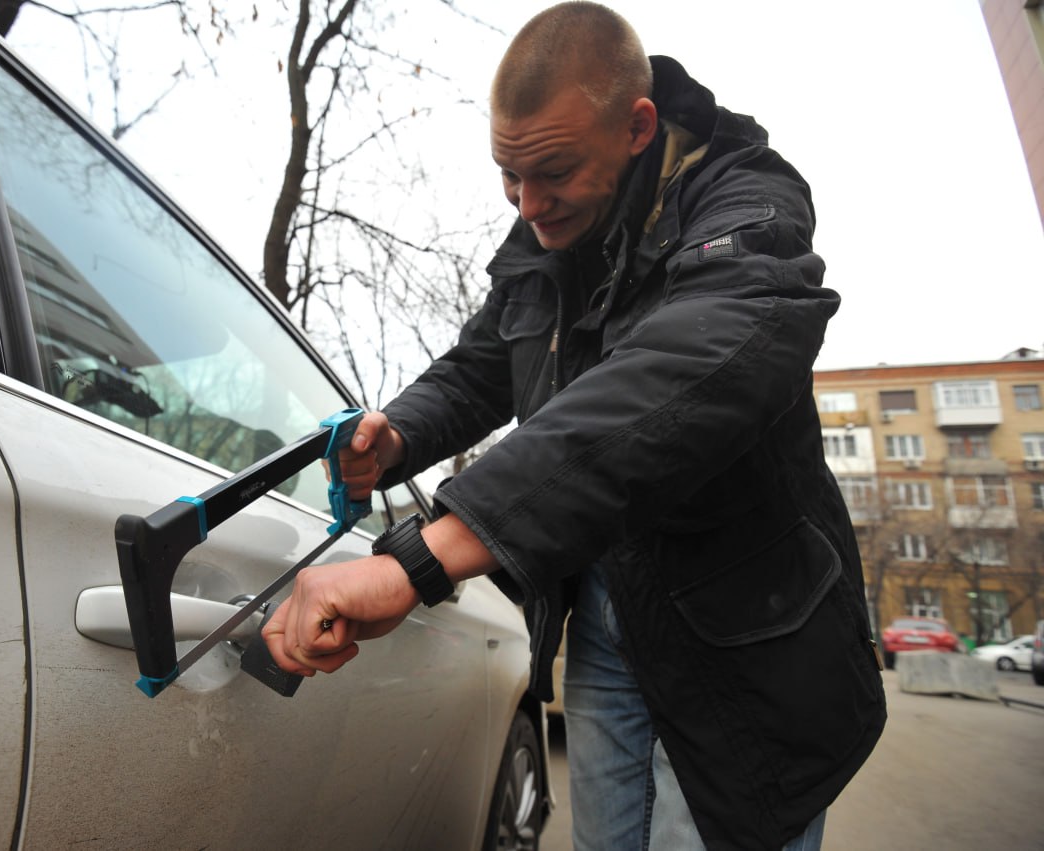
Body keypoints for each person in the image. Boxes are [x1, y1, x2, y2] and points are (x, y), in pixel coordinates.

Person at [261, 3, 887, 849]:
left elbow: (673, 376)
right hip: (603, 620)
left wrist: (427, 553)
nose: (527, 206)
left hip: (750, 632)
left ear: (636, 127)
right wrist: (397, 432)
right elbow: (483, 364)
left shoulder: (743, 203)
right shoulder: (545, 231)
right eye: (508, 178)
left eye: (550, 172)